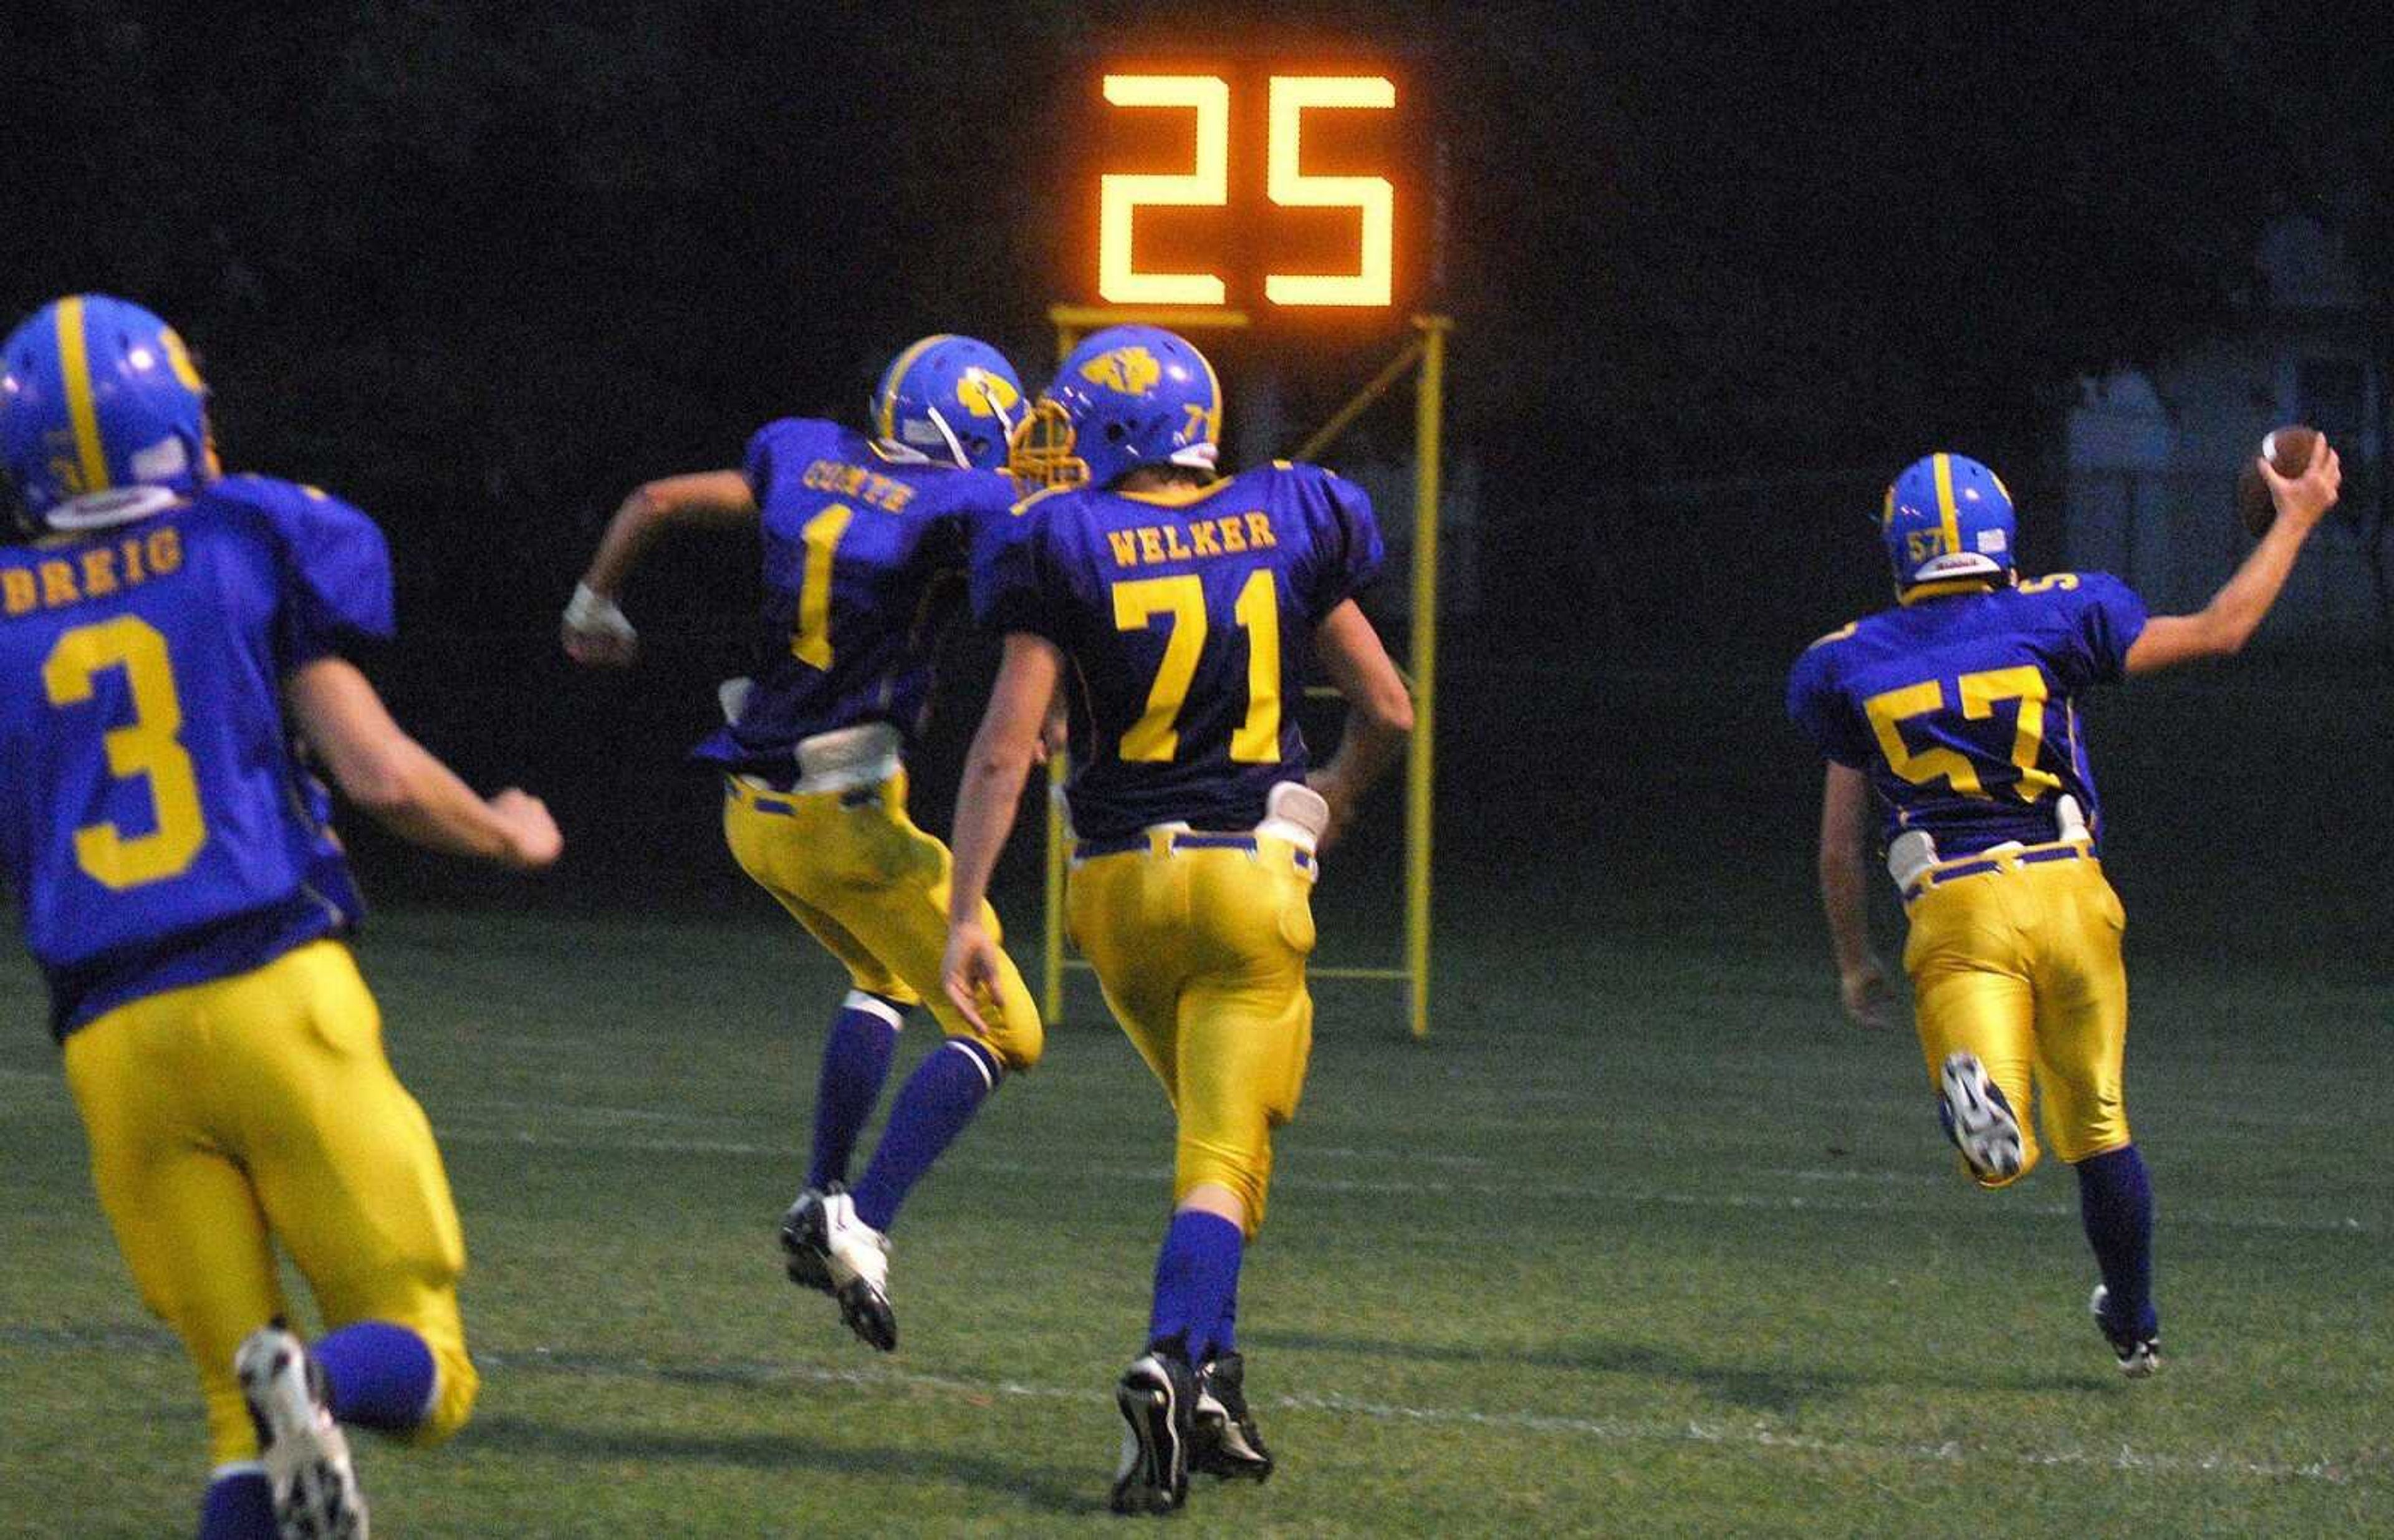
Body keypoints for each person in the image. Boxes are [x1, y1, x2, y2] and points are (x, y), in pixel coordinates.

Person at [0, 295, 562, 1539]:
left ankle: (277, 1396)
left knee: (228, 1416)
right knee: (428, 1365)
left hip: (108, 1044)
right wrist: (507, 829)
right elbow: (380, 775)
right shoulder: (248, 534)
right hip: (271, 990)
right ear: (182, 422)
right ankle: (318, 1383)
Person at [941, 324, 1413, 1513]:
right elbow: (1391, 711)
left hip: (1116, 898)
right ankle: (1170, 1358)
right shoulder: (1292, 511)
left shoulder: (1058, 537)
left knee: (1222, 1137)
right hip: (1251, 882)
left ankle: (1217, 1390)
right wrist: (1335, 801)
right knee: (1221, 1155)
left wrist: (962, 912)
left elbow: (1006, 748)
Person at [1787, 443, 2341, 1376]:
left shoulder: (1847, 662)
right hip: (2072, 888)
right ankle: (2135, 1320)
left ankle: (1982, 1101)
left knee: (1996, 1150)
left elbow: (1840, 847)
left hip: (1954, 903)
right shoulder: (2058, 611)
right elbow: (2221, 628)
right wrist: (2297, 517)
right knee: (2100, 1123)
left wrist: (1854, 961)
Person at [562, 335, 1043, 1352]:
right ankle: (862, 1224)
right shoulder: (963, 505)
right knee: (1009, 1033)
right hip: (846, 821)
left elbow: (652, 500)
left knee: (883, 973)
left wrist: (592, 603)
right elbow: (1024, 561)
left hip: (753, 814)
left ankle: (818, 1190)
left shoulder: (801, 452)